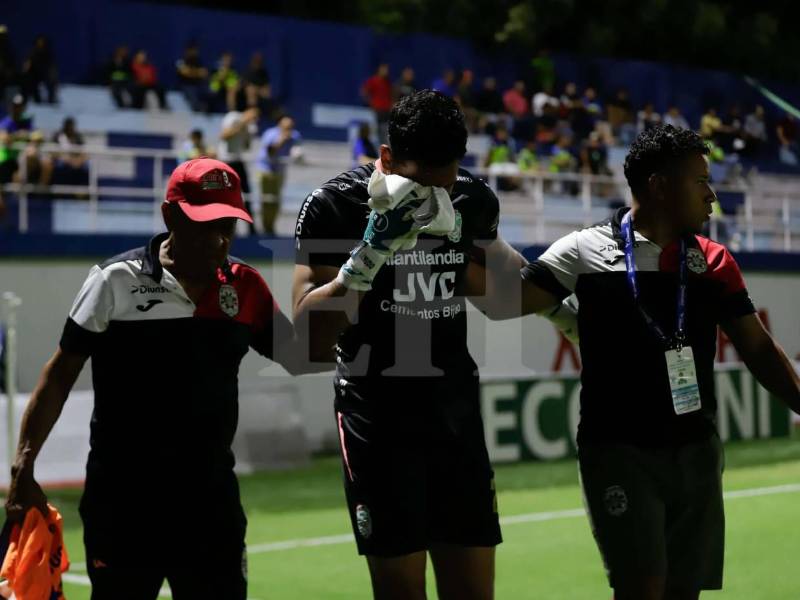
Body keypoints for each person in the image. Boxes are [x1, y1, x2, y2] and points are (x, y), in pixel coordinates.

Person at [3, 157, 313, 600]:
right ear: (170, 216)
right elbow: (59, 374)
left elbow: (300, 355)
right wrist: (23, 467)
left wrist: (352, 280)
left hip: (210, 503)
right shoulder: (114, 281)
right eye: (205, 223)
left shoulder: (245, 286)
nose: (219, 238)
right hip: (122, 503)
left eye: (227, 224)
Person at [518, 125, 800, 600]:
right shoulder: (585, 249)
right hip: (618, 451)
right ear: (660, 187)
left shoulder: (714, 262)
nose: (712, 196)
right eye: (700, 181)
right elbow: (508, 299)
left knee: (683, 591)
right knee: (642, 588)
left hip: (696, 450)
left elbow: (757, 348)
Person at [292, 89, 534, 600]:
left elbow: (504, 296)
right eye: (423, 184)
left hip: (455, 414)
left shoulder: (471, 199)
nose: (436, 197)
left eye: (445, 184)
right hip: (377, 420)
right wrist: (370, 253)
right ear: (387, 158)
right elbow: (309, 341)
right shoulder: (333, 206)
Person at [257, 115, 301, 235]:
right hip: (266, 170)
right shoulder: (270, 134)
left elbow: (297, 151)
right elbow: (269, 152)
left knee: (276, 202)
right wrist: (282, 140)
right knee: (267, 201)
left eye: (290, 127)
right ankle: (265, 228)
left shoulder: (295, 135)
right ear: (280, 125)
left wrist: (298, 156)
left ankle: (270, 227)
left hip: (280, 171)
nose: (288, 129)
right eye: (286, 126)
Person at [219, 106, 260, 234]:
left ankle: (251, 228)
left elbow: (246, 147)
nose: (254, 119)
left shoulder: (250, 126)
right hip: (226, 161)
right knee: (228, 196)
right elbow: (224, 136)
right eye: (253, 116)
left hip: (238, 160)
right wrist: (242, 124)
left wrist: (247, 132)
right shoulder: (232, 117)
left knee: (247, 193)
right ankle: (229, 228)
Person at [21, 35, 57, 104]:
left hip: (46, 73)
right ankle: (36, 99)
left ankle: (51, 100)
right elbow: (28, 62)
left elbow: (52, 65)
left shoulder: (48, 52)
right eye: (39, 41)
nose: (40, 43)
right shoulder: (33, 51)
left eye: (42, 42)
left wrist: (52, 73)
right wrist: (26, 68)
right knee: (28, 79)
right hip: (35, 73)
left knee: (51, 80)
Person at [361, 63, 392, 143]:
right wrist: (372, 103)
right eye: (383, 69)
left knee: (385, 130)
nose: (385, 71)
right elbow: (364, 91)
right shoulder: (374, 81)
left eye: (386, 70)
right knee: (378, 131)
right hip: (378, 110)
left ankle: (384, 146)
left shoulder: (387, 82)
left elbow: (390, 95)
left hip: (386, 110)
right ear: (379, 70)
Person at [175, 42, 209, 112]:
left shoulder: (198, 61)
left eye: (195, 51)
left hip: (199, 84)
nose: (194, 52)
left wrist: (191, 72)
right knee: (193, 96)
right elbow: (184, 72)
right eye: (193, 50)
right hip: (186, 85)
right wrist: (197, 72)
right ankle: (198, 110)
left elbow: (204, 73)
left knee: (210, 92)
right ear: (188, 51)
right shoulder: (181, 60)